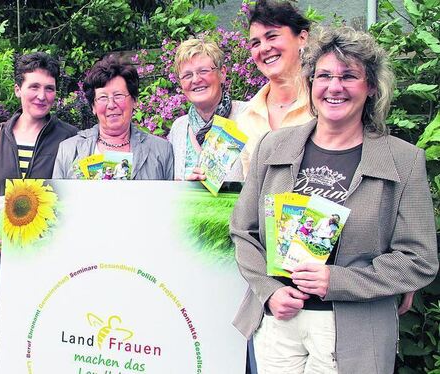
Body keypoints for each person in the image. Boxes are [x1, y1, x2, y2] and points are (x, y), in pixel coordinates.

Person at [230, 26, 438, 373]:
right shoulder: (272, 146)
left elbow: (419, 259)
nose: (334, 86)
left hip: (354, 331)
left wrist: (338, 281)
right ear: (310, 83)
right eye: (324, 75)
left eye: (349, 76)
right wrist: (268, 290)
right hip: (280, 323)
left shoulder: (403, 160)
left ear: (370, 86)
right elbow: (243, 232)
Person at [0, 52, 78, 288]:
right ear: (17, 90)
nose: (42, 96)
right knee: (9, 324)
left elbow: (75, 196)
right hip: (5, 252)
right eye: (34, 87)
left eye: (49, 88)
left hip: (51, 255)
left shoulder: (70, 137)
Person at [53, 55, 173, 180]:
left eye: (119, 95)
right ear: (93, 106)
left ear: (134, 100)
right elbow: (56, 198)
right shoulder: (68, 150)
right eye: (102, 97)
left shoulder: (162, 151)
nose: (111, 105)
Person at [237, 0, 314, 178]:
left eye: (272, 36)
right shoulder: (247, 117)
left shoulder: (324, 105)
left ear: (302, 38)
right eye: (255, 43)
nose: (264, 48)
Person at [167, 38, 247, 180]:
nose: (196, 80)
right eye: (187, 75)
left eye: (203, 71)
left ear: (222, 73)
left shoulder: (247, 116)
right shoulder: (178, 128)